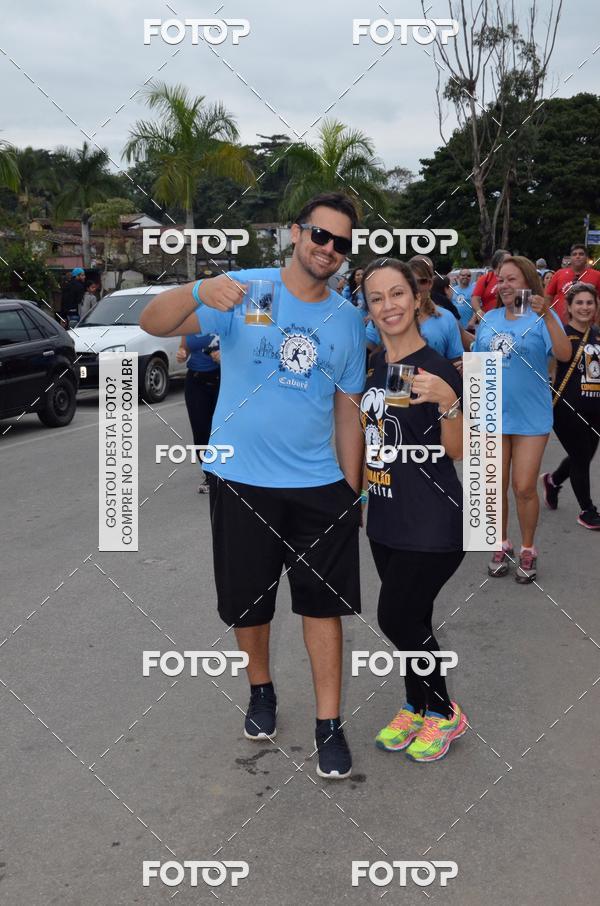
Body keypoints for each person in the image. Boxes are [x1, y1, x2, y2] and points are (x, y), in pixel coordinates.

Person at [140, 193, 366, 780]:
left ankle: (329, 723)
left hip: (320, 486)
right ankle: (260, 689)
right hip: (241, 480)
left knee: (323, 607)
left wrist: (353, 489)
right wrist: (197, 291)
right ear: (296, 233)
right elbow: (151, 323)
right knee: (249, 601)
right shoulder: (244, 290)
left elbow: (348, 412)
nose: (329, 251)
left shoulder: (347, 319)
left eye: (342, 244)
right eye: (321, 236)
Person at [359, 257, 468, 762]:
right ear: (368, 309)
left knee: (395, 615)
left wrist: (450, 400)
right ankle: (415, 703)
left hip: (433, 522)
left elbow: (462, 449)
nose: (388, 305)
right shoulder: (376, 367)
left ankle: (444, 712)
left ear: (416, 298)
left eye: (396, 294)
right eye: (377, 298)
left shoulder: (439, 366)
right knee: (414, 620)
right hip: (385, 519)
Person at [472, 256, 571, 582]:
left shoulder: (543, 317)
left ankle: (528, 548)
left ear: (528, 283)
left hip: (531, 416)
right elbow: (479, 357)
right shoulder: (490, 317)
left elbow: (564, 354)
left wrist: (548, 316)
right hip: (491, 413)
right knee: (494, 486)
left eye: (511, 279)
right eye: (501, 280)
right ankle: (502, 543)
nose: (504, 285)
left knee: (524, 486)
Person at [541, 283, 600, 529]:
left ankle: (553, 481)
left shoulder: (597, 334)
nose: (584, 307)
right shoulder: (561, 335)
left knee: (584, 456)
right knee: (579, 456)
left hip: (596, 408)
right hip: (566, 409)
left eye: (589, 303)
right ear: (568, 307)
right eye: (579, 303)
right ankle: (587, 510)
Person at [176, 332, 221, 494]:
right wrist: (182, 353)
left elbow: (243, 344)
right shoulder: (190, 317)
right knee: (201, 429)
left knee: (221, 429)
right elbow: (184, 346)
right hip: (195, 380)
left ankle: (226, 475)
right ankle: (210, 475)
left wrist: (226, 354)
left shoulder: (226, 311)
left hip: (223, 378)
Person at [545, 244, 600, 324]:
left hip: (588, 326)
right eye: (574, 254)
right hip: (561, 325)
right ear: (571, 258)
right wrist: (551, 317)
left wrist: (597, 324)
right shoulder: (559, 274)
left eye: (581, 254)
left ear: (586, 258)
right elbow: (548, 297)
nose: (578, 256)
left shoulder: (597, 275)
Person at [468, 249, 511, 326]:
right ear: (498, 262)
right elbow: (475, 298)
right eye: (508, 261)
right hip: (489, 321)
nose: (511, 263)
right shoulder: (485, 279)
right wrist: (478, 311)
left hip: (509, 320)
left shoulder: (512, 278)